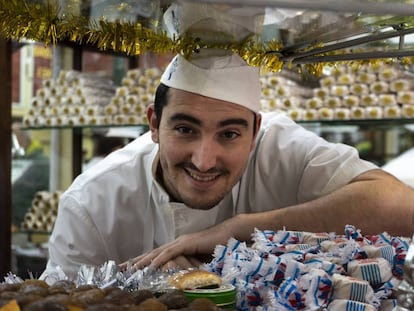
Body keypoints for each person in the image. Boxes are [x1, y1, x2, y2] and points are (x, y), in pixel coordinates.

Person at [41, 52, 414, 280]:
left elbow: (402, 207)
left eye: (230, 134)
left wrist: (240, 230)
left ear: (256, 132)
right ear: (154, 123)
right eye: (185, 129)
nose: (204, 160)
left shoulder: (282, 150)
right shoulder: (92, 203)